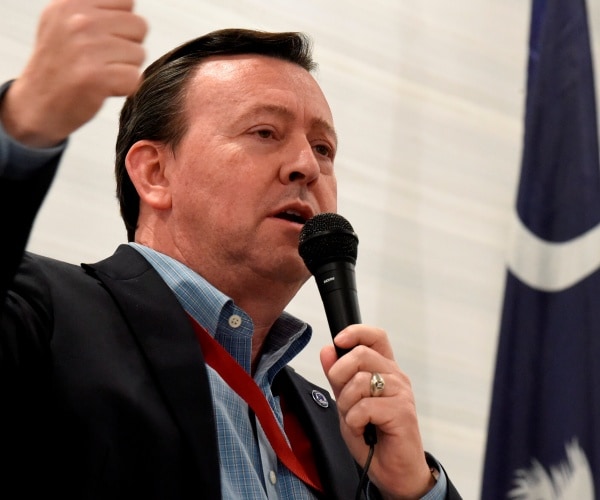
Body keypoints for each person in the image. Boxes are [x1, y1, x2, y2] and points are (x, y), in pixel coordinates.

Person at [0, 1, 462, 499]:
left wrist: (413, 489)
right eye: (264, 132)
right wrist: (25, 124)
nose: (307, 166)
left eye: (323, 149)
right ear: (155, 173)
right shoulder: (40, 313)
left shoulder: (345, 430)